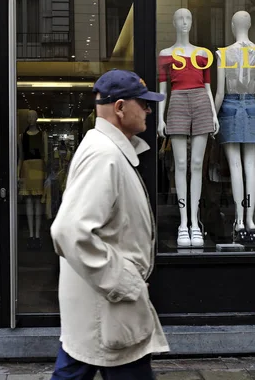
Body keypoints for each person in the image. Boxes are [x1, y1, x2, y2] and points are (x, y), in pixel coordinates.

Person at [50, 69, 170, 380]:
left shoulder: (110, 151)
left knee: (76, 366)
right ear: (119, 107)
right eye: (142, 103)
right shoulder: (105, 155)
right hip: (107, 307)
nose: (148, 109)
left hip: (104, 310)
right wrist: (122, 281)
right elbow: (69, 229)